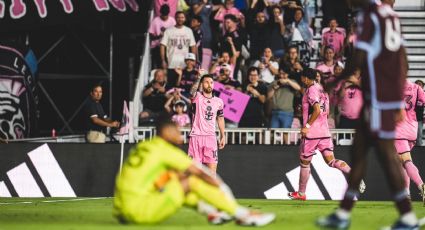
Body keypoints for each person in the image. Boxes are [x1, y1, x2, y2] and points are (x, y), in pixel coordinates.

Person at [317, 0, 420, 229]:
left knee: (385, 155)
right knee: (359, 151)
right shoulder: (390, 16)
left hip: (378, 99)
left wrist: (337, 78)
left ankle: (407, 216)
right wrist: (397, 95)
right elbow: (402, 56)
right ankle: (343, 214)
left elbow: (359, 56)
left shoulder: (370, 15)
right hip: (381, 97)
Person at [113, 114, 276, 226]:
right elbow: (203, 174)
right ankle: (243, 214)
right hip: (140, 212)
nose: (180, 134)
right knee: (191, 181)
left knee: (176, 179)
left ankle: (213, 213)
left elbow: (161, 179)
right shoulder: (167, 151)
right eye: (177, 130)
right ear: (167, 132)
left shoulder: (144, 146)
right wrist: (223, 191)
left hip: (123, 211)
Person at [288, 68, 364, 201]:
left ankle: (301, 194)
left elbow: (317, 110)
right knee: (331, 161)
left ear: (306, 78)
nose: (301, 80)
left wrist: (306, 126)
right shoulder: (323, 90)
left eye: (302, 77)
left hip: (312, 134)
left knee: (305, 163)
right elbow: (326, 112)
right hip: (324, 132)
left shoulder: (311, 90)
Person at [188, 74, 225, 174]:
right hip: (196, 137)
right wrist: (199, 77)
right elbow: (191, 92)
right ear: (201, 84)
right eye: (206, 82)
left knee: (212, 173)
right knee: (194, 172)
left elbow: (220, 118)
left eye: (211, 82)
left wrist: (223, 135)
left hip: (211, 138)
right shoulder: (197, 97)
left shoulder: (219, 101)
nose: (209, 85)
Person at [395, 80, 425, 201]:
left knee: (406, 161)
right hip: (412, 130)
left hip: (399, 129)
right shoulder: (417, 87)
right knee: (403, 162)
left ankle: (421, 185)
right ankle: (406, 194)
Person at [161, 11, 197, 87]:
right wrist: (163, 60)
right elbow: (162, 45)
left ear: (185, 19)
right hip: (171, 64)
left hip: (185, 65)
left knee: (182, 87)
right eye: (178, 17)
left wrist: (194, 60)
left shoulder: (188, 31)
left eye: (182, 17)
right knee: (171, 87)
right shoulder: (169, 31)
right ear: (175, 18)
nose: (180, 19)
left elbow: (193, 46)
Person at [149, 4, 176, 69]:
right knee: (158, 66)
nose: (164, 17)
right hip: (157, 47)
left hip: (169, 47)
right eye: (163, 15)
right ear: (161, 13)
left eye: (166, 15)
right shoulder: (155, 20)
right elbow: (151, 36)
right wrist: (159, 36)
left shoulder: (172, 20)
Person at [415, 80, 424, 146]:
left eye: (420, 84)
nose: (418, 85)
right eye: (417, 84)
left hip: (419, 118)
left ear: (423, 86)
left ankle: (419, 148)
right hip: (410, 119)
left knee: (419, 134)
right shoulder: (411, 94)